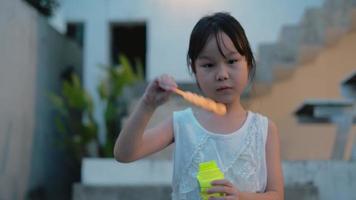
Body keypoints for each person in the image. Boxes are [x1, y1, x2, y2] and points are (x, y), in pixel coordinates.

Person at [114, 12, 284, 200]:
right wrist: (147, 105)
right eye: (209, 65)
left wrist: (241, 197)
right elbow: (124, 154)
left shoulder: (264, 130)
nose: (222, 74)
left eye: (232, 61)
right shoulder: (182, 124)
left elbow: (276, 195)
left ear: (249, 64)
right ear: (194, 69)